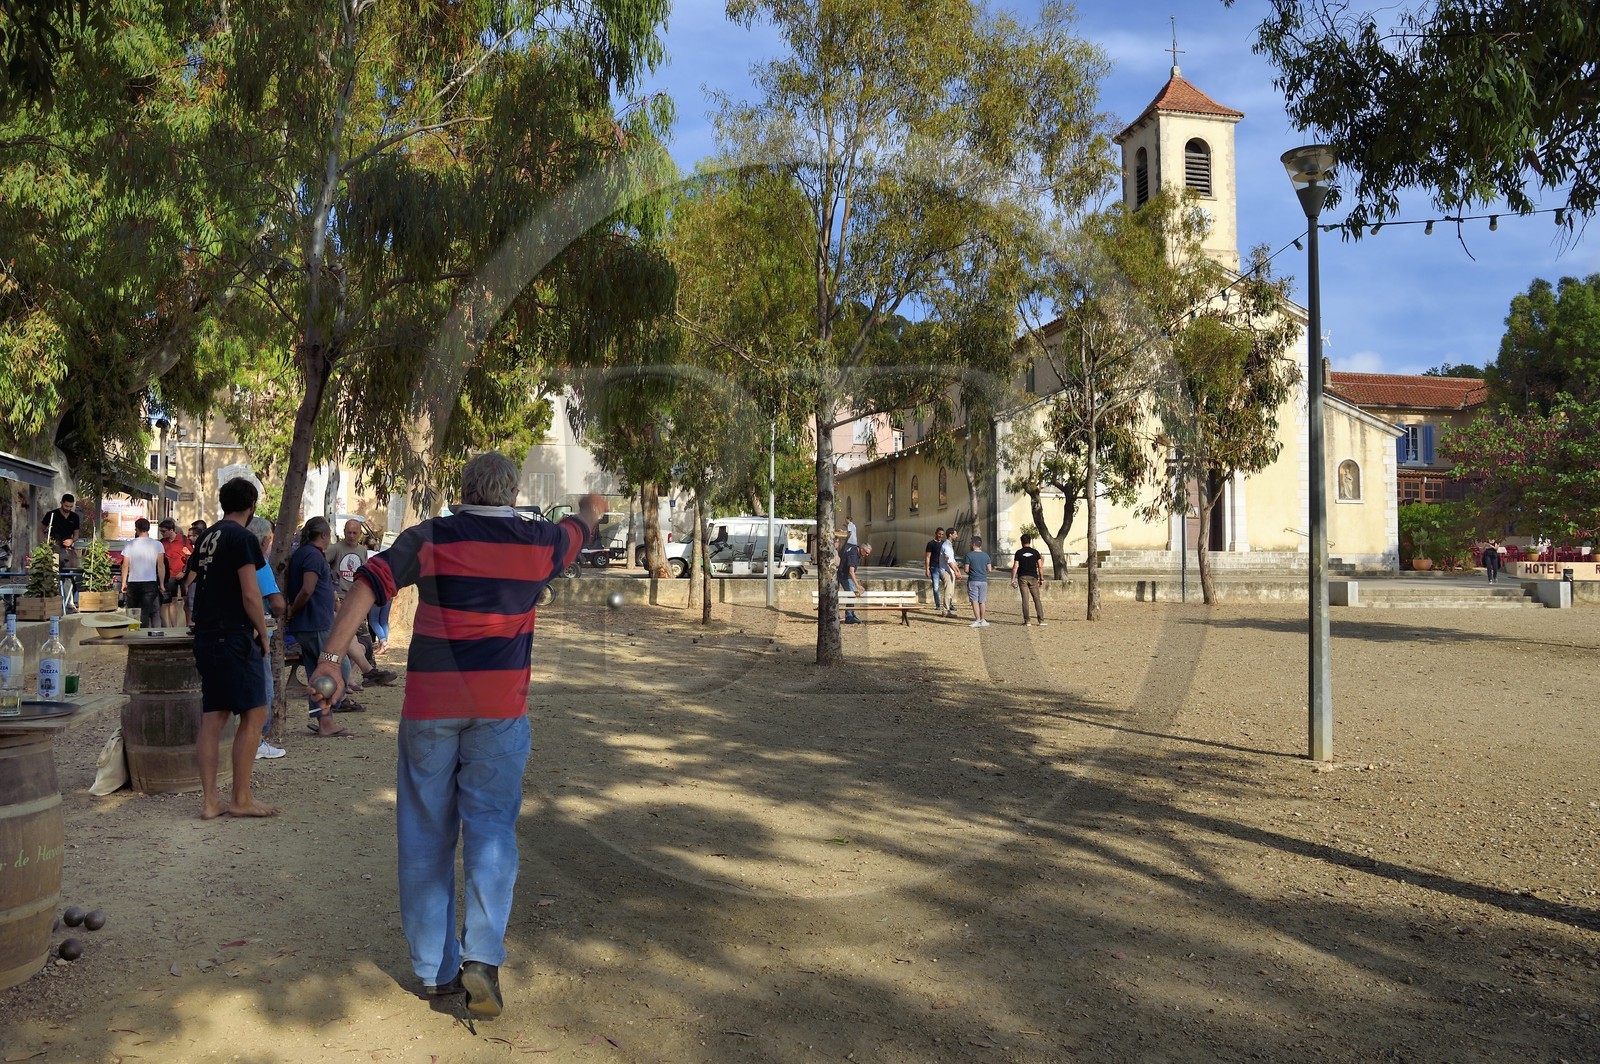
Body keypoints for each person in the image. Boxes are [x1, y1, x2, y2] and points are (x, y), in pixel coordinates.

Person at [306, 452, 599, 1017]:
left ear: (462, 490)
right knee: (491, 831)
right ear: (511, 494)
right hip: (501, 711)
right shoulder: (539, 543)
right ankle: (483, 958)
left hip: (431, 710)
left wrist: (330, 658)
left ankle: (438, 973)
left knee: (424, 834)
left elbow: (370, 582)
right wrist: (590, 510)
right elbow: (578, 529)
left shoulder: (431, 537)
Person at [189, 477, 277, 819]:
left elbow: (192, 583)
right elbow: (251, 592)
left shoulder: (207, 536)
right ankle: (240, 798)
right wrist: (263, 632)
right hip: (234, 635)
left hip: (206, 635)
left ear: (222, 503)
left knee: (213, 717)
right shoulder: (243, 538)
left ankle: (211, 801)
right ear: (251, 506)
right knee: (255, 713)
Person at [288, 516, 358, 736]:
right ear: (324, 536)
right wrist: (294, 610)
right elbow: (307, 589)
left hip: (309, 623)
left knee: (317, 675)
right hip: (315, 623)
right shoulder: (312, 556)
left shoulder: (303, 554)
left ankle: (324, 721)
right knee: (340, 666)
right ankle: (328, 715)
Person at [248, 515, 287, 761]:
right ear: (264, 541)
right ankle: (257, 741)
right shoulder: (259, 563)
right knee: (264, 690)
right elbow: (275, 601)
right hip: (257, 635)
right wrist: (285, 610)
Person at [120, 518, 167, 628]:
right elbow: (160, 565)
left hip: (133, 581)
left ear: (137, 529)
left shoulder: (130, 544)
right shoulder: (157, 544)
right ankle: (144, 634)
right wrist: (162, 584)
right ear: (148, 529)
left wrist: (123, 582)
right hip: (150, 581)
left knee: (133, 611)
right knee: (146, 611)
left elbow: (125, 564)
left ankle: (134, 633)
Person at [41, 494, 81, 611]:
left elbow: (76, 534)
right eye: (66, 506)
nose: (68, 508)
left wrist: (72, 540)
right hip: (53, 549)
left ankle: (69, 602)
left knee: (68, 577)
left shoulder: (74, 517)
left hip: (67, 551)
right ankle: (53, 601)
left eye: (70, 506)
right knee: (53, 576)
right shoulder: (51, 514)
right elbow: (41, 528)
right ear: (61, 503)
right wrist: (43, 543)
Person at [157, 518, 192, 627]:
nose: (162, 534)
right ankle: (173, 627)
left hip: (183, 575)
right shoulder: (162, 543)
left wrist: (184, 572)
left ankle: (189, 625)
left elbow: (191, 558)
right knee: (171, 601)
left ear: (171, 530)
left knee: (187, 602)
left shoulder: (184, 540)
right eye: (161, 531)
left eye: (164, 531)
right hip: (170, 576)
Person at [1009, 533, 1046, 626]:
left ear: (1022, 542)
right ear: (1030, 541)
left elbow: (1015, 567)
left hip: (1022, 578)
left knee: (1025, 599)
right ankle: (1041, 620)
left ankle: (1027, 620)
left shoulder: (1018, 553)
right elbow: (1040, 567)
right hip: (1033, 577)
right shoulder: (1035, 552)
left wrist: (1012, 579)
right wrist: (1041, 578)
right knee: (1037, 599)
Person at [962, 535, 992, 627]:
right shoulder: (986, 555)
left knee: (974, 600)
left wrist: (971, 572)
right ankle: (983, 620)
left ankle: (977, 620)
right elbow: (989, 569)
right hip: (983, 580)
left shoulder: (969, 555)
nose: (969, 544)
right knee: (982, 601)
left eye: (971, 543)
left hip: (973, 580)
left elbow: (966, 569)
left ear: (974, 544)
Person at [836, 529, 861, 624]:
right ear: (862, 549)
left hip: (843, 575)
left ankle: (851, 614)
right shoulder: (853, 554)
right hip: (845, 576)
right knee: (851, 594)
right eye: (866, 552)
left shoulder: (852, 550)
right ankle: (849, 616)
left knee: (852, 595)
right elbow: (851, 571)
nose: (867, 555)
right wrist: (857, 584)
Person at [923, 527, 946, 613]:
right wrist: (927, 569)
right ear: (936, 533)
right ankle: (938, 605)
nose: (940, 536)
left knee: (947, 586)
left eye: (942, 534)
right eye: (939, 534)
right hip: (934, 567)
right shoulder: (931, 544)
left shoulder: (944, 544)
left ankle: (948, 604)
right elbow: (927, 556)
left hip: (943, 568)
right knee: (936, 587)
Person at [939, 528, 961, 617]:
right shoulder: (946, 546)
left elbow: (953, 560)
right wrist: (956, 571)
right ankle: (946, 610)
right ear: (950, 535)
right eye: (955, 534)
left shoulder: (950, 545)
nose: (957, 536)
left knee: (951, 591)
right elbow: (948, 561)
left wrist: (957, 570)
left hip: (950, 570)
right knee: (948, 591)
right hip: (946, 571)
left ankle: (947, 609)